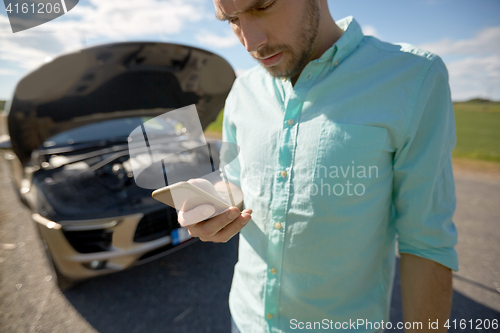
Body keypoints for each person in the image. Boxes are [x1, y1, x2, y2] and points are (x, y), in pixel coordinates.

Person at [178, 0, 459, 332]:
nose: (251, 43)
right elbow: (236, 182)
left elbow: (426, 241)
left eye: (263, 6)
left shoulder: (414, 77)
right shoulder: (243, 90)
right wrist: (212, 201)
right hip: (244, 319)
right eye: (233, 20)